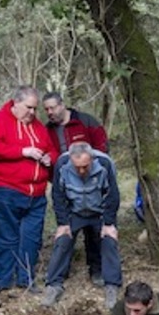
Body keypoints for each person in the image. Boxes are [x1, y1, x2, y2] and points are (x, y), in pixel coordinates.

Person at [0, 86, 57, 294]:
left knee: (31, 238)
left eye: (35, 108)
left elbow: (50, 148)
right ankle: (3, 281)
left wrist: (50, 157)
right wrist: (22, 151)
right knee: (5, 238)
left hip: (36, 194)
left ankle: (26, 279)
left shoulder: (38, 126)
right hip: (5, 190)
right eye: (28, 107)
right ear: (15, 103)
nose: (32, 112)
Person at [40, 142, 122, 310]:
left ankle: (111, 285)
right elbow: (58, 194)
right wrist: (63, 223)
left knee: (109, 240)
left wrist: (108, 223)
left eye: (85, 166)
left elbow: (113, 195)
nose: (82, 171)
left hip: (98, 211)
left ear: (91, 159)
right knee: (62, 240)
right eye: (77, 167)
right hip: (74, 212)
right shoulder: (62, 165)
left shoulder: (104, 164)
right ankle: (53, 285)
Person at [43, 91, 111, 286]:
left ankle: (96, 270)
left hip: (91, 181)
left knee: (94, 231)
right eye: (46, 109)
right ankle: (59, 274)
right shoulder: (47, 130)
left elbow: (102, 147)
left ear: (62, 105)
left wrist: (95, 171)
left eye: (53, 107)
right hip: (65, 185)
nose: (50, 112)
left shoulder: (85, 121)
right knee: (66, 229)